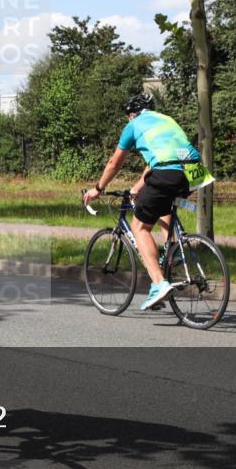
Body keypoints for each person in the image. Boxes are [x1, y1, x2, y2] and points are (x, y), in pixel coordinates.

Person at [83, 93, 214, 310]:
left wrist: (98, 189)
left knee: (139, 227)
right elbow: (158, 161)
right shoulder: (165, 119)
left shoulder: (134, 126)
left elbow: (114, 162)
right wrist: (136, 188)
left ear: (132, 114)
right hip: (195, 172)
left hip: (168, 172)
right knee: (162, 203)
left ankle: (158, 282)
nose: (128, 120)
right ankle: (173, 252)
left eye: (128, 116)